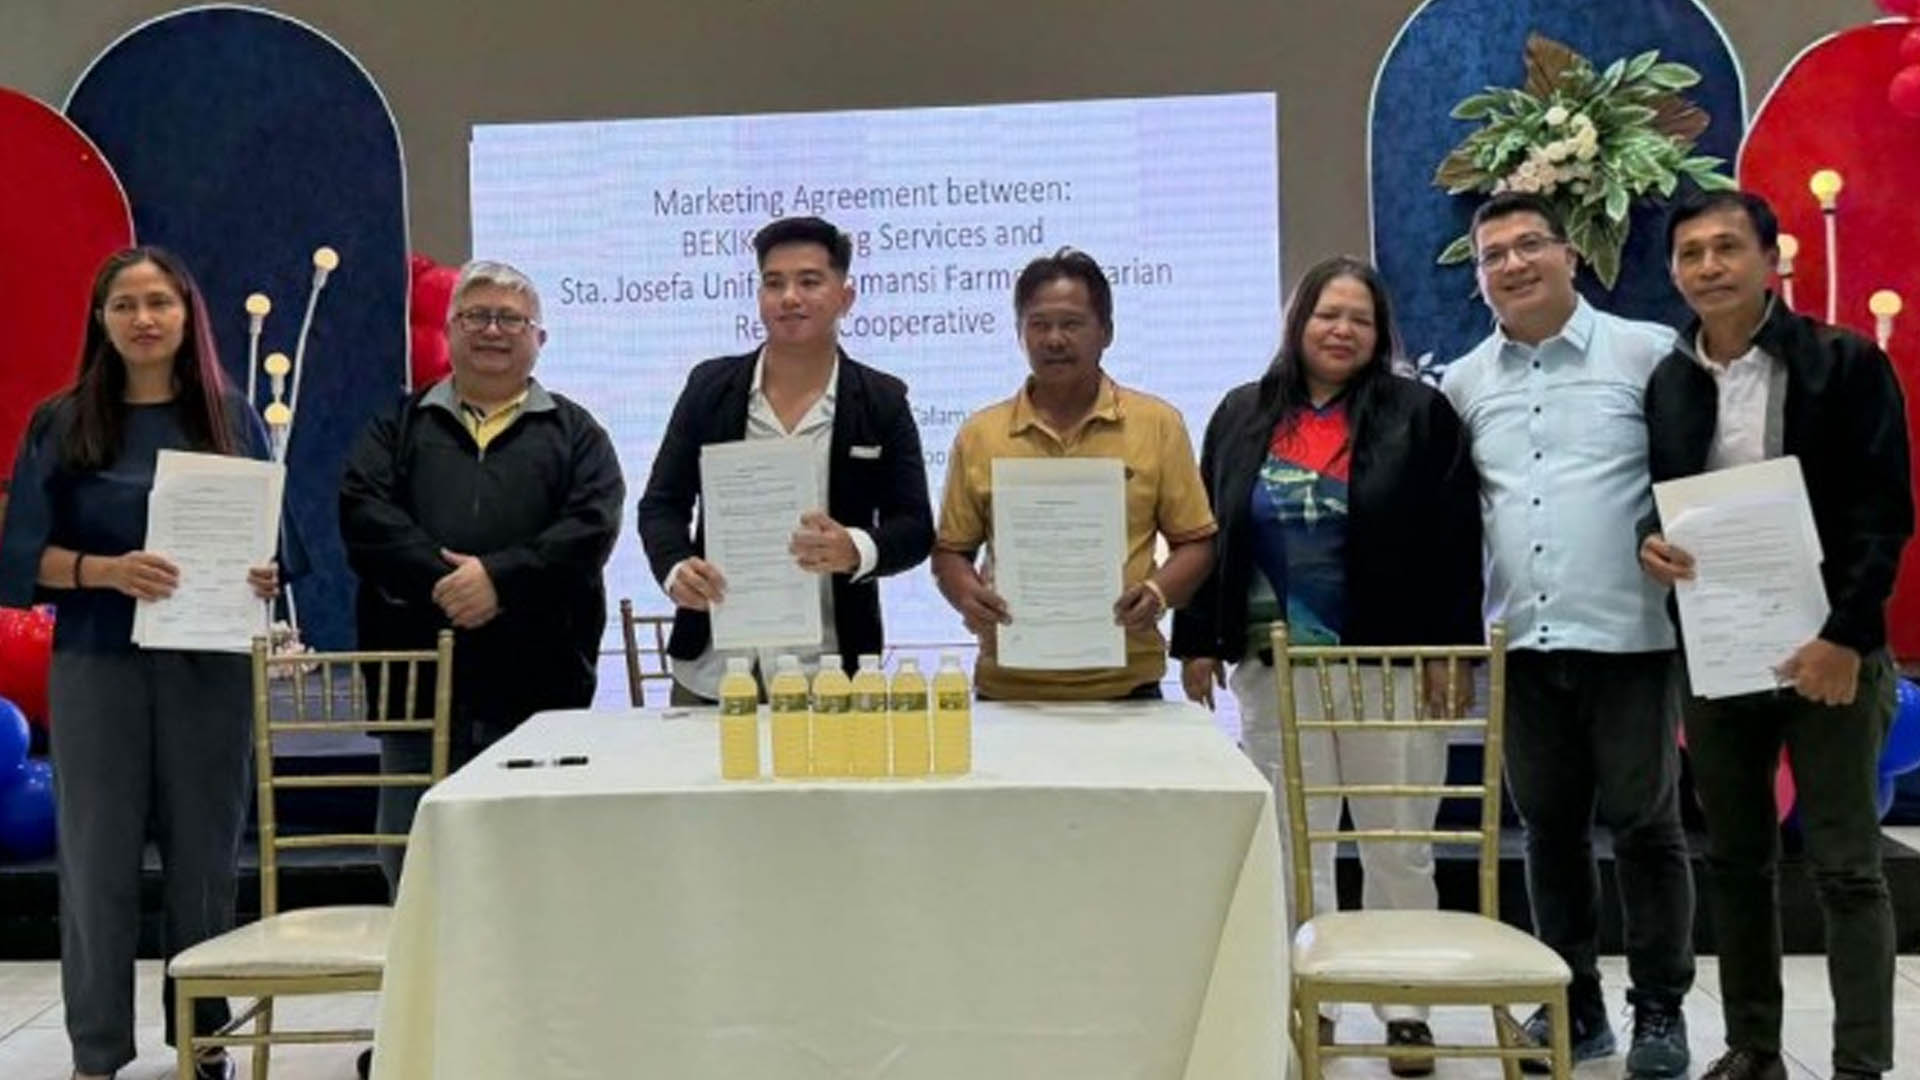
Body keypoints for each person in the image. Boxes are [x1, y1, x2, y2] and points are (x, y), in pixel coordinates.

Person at [1172, 256, 1480, 1073]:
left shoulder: (1420, 414)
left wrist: (1452, 651)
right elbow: (1208, 529)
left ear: (1380, 335)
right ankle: (1305, 1003)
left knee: (1395, 842)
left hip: (1392, 667)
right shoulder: (1242, 413)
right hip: (1274, 670)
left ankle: (1405, 1007)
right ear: (1298, 321)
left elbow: (1456, 541)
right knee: (1292, 846)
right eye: (1326, 314)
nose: (1341, 330)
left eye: (1360, 319)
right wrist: (1196, 638)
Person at [1640, 189, 1911, 1080]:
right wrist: (1651, 542)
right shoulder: (1671, 381)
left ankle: (1860, 1063)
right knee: (1736, 860)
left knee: (1846, 867)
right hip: (1720, 652)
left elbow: (1885, 515)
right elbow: (1663, 500)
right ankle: (1753, 1047)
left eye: (1727, 248)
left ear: (1769, 260)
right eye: (1690, 253)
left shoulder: (1845, 363)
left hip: (1831, 650)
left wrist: (1845, 638)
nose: (1709, 267)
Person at [0, 247, 278, 1080]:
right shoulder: (62, 422)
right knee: (96, 861)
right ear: (102, 321)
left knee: (205, 862)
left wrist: (263, 573)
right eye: (124, 305)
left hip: (208, 666)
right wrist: (104, 571)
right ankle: (96, 1051)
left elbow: (273, 548)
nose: (144, 319)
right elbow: (19, 560)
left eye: (160, 302)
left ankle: (204, 1041)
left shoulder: (231, 416)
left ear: (188, 316)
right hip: (97, 662)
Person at [1440, 192, 1694, 1077]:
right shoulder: (1464, 382)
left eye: (1529, 245)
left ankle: (1660, 1010)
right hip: (1521, 642)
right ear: (1479, 279)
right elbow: (1457, 522)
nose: (1512, 265)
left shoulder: (1646, 353)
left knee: (1647, 829)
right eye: (1492, 255)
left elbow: (1688, 475)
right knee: (1548, 835)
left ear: (1570, 254)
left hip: (1631, 637)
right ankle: (1573, 1004)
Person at [339, 258, 624, 890]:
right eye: (476, 316)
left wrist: (499, 580)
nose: (493, 330)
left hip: (539, 680)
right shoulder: (396, 426)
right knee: (415, 859)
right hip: (417, 682)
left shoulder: (578, 434)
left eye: (511, 319)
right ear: (449, 331)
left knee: (535, 862)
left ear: (539, 338)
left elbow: (590, 529)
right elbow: (364, 517)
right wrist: (447, 586)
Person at [637, 216, 933, 699]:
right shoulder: (709, 388)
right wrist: (675, 568)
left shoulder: (882, 401)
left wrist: (856, 549)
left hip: (830, 671)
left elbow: (915, 527)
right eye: (773, 283)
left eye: (809, 281)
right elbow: (661, 505)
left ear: (846, 298)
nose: (789, 297)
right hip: (713, 668)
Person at [933, 248, 1215, 700]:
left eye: (1071, 324)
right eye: (1038, 324)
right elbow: (951, 551)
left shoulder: (1157, 424)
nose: (1054, 339)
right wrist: (968, 595)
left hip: (1126, 687)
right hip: (1009, 686)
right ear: (1020, 333)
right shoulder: (981, 434)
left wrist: (1158, 593)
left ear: (1106, 331)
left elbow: (1197, 542)